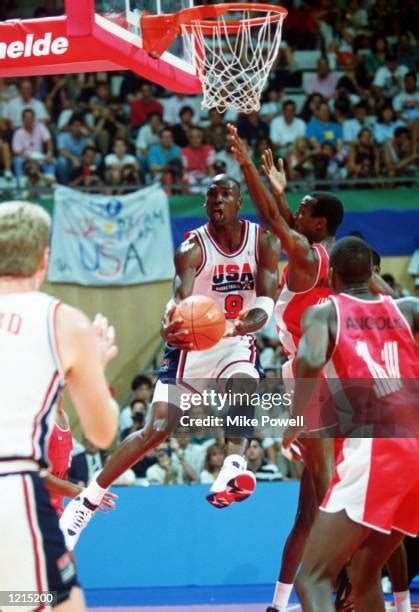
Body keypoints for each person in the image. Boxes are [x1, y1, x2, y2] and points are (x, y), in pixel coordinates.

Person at [59, 173, 281, 549]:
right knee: (159, 427)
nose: (217, 200)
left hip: (234, 337)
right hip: (193, 342)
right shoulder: (193, 247)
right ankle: (88, 499)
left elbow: (266, 299)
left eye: (225, 194)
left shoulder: (263, 242)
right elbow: (179, 296)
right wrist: (169, 317)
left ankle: (232, 467)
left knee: (245, 384)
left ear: (239, 202)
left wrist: (245, 324)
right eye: (211, 195)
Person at [228, 127, 342, 612]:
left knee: (327, 507)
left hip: (316, 385)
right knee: (311, 508)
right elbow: (285, 215)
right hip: (333, 381)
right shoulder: (336, 259)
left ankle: (342, 594)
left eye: (304, 209)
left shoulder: (303, 255)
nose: (296, 211)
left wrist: (247, 164)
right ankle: (283, 602)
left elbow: (272, 219)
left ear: (317, 224)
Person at [283, 236, 419, 611]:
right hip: (415, 449)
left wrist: (294, 422)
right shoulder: (407, 309)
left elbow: (308, 361)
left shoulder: (325, 312)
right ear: (373, 273)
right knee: (364, 571)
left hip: (378, 450)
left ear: (330, 276)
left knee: (312, 579)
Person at [0, 201, 119, 611]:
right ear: (44, 259)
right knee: (63, 602)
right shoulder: (63, 322)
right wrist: (95, 368)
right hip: (12, 485)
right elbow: (102, 433)